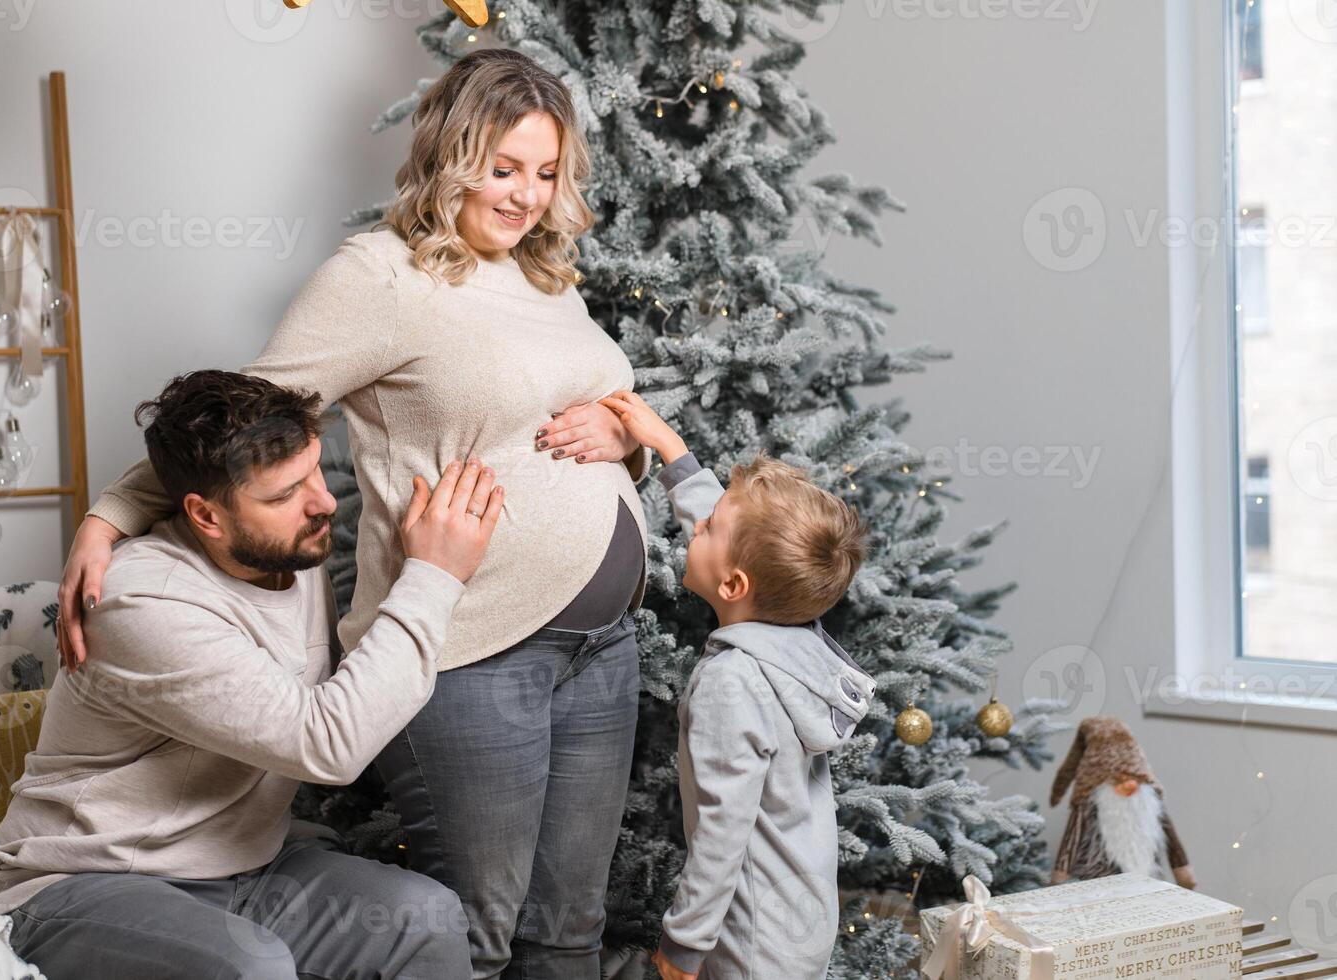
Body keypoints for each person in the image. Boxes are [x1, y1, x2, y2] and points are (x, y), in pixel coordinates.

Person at [55, 48, 651, 979]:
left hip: (602, 643)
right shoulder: (380, 276)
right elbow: (246, 417)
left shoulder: (549, 279)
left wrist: (630, 444)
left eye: (545, 173)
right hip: (474, 647)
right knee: (483, 937)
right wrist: (109, 515)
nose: (526, 196)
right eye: (503, 169)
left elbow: (607, 406)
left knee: (570, 931)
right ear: (452, 156)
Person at [0, 370, 503, 979]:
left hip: (239, 869)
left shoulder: (286, 550)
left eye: (312, 471)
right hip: (80, 883)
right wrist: (435, 575)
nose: (324, 502)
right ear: (205, 516)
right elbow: (327, 744)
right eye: (283, 496)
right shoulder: (142, 602)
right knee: (248, 969)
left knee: (425, 919)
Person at [598, 391, 879, 980]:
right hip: (799, 922)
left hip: (750, 941)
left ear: (732, 585)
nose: (697, 526)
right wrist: (671, 449)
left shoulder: (732, 684)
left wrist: (683, 945)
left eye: (709, 527)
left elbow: (724, 833)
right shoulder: (792, 635)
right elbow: (733, 536)